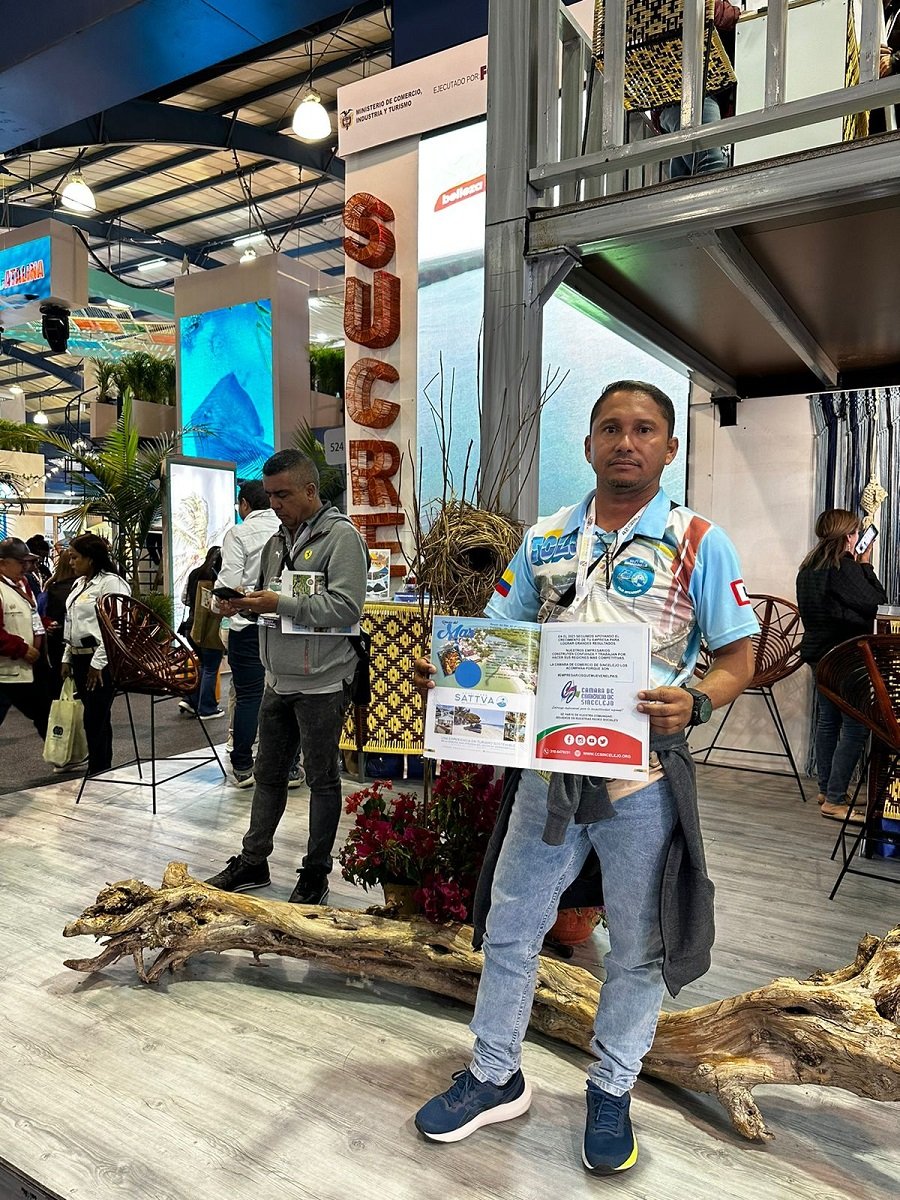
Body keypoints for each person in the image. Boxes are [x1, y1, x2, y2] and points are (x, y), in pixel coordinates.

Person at [411, 381, 758, 1174]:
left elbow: (739, 656)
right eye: (610, 428)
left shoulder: (699, 542)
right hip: (551, 774)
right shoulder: (545, 539)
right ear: (589, 443)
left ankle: (611, 1088)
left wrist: (698, 701)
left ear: (670, 448)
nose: (625, 442)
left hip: (643, 779)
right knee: (511, 925)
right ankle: (495, 1074)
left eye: (644, 429)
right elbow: (498, 636)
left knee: (638, 943)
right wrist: (456, 673)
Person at [206, 449, 368, 905]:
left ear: (310, 490)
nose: (273, 503)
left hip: (323, 683)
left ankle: (315, 872)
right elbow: (271, 600)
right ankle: (253, 860)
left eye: (282, 495)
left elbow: (346, 608)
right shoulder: (276, 542)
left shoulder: (342, 538)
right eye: (270, 495)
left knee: (322, 779)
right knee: (268, 775)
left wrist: (279, 603)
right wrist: (241, 605)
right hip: (277, 678)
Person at [796, 509, 888, 823]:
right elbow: (876, 602)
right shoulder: (843, 567)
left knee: (828, 722)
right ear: (849, 536)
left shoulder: (808, 567)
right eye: (856, 532)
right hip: (845, 657)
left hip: (818, 656)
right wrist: (865, 563)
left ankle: (827, 790)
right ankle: (834, 799)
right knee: (856, 726)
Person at [215, 480, 280, 786]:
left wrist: (219, 605)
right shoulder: (287, 529)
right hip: (284, 624)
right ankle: (290, 766)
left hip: (247, 625)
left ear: (244, 504)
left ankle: (242, 766)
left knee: (249, 697)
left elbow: (228, 582)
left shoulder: (239, 534)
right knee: (286, 694)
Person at [61, 534, 131, 776]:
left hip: (101, 659)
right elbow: (72, 622)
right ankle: (99, 767)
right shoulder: (79, 584)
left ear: (90, 558)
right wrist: (67, 656)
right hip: (79, 657)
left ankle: (99, 769)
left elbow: (117, 627)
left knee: (96, 716)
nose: (71, 562)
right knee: (92, 716)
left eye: (75, 557)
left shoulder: (112, 583)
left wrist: (98, 663)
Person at [655, 1, 741, 177]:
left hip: (678, 94)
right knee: (712, 163)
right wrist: (737, 14)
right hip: (692, 91)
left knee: (686, 174)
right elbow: (710, 10)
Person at [0, 537, 51, 740]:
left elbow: (30, 614)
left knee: (45, 713)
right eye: (21, 562)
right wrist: (21, 649)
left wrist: (44, 624)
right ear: (3, 563)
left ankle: (59, 753)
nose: (26, 567)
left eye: (27, 562)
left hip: (28, 669)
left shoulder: (22, 584)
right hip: (6, 671)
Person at [181, 546, 225, 720]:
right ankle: (207, 708)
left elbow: (184, 599)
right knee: (210, 668)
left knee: (203, 665)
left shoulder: (195, 573)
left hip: (191, 628)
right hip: (210, 631)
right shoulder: (219, 578)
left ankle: (190, 700)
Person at [39, 547, 79, 699]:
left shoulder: (52, 587)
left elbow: (48, 616)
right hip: (78, 642)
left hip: (57, 641)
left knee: (58, 685)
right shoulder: (82, 587)